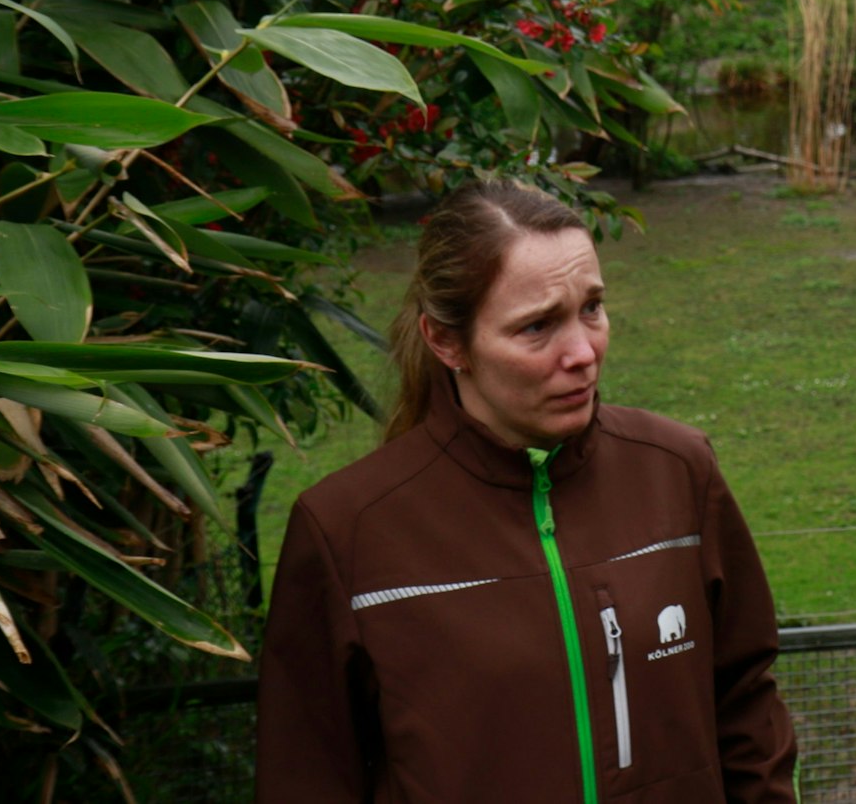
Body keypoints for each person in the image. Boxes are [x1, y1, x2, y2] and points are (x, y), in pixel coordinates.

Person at [257, 181, 796, 803]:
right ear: (446, 341)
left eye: (591, 308)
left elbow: (747, 704)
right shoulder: (346, 532)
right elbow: (306, 778)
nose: (582, 353)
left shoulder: (679, 471)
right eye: (537, 327)